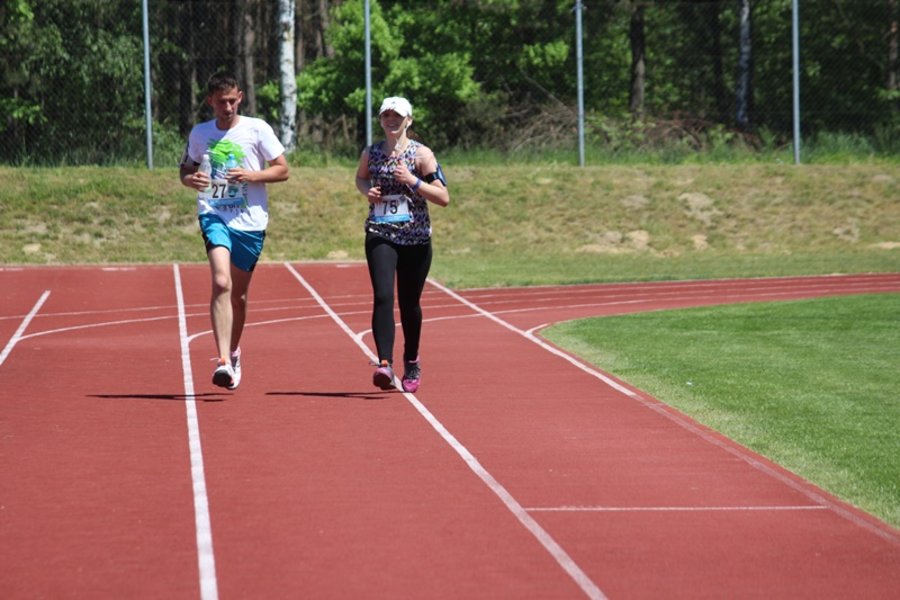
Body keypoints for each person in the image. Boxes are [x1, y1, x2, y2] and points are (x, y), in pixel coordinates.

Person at [179, 72, 289, 390]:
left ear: (240, 97)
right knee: (220, 281)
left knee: (238, 296)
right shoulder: (200, 133)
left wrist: (252, 176)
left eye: (232, 100)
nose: (227, 107)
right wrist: (190, 180)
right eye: (220, 101)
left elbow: (283, 169)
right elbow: (186, 167)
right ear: (210, 101)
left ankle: (235, 352)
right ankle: (223, 361)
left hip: (251, 221)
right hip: (214, 214)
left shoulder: (257, 129)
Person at [354, 96, 450, 393]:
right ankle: (384, 363)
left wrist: (413, 180)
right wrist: (368, 192)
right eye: (386, 116)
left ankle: (411, 359)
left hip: (416, 237)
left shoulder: (422, 155)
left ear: (409, 120)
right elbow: (360, 179)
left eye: (397, 116)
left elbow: (443, 197)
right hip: (381, 232)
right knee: (383, 295)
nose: (391, 121)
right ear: (381, 120)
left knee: (410, 304)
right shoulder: (371, 153)